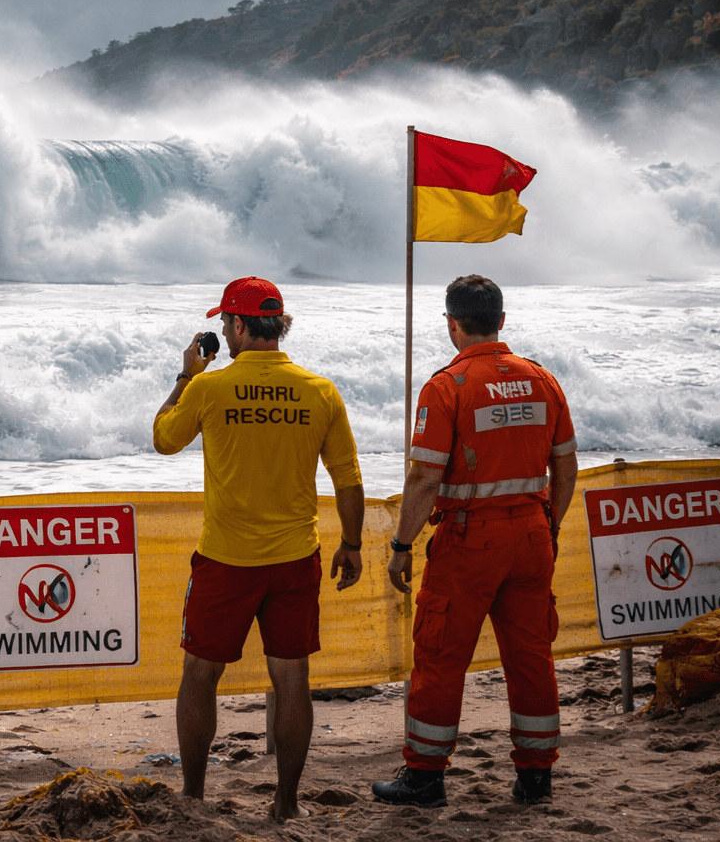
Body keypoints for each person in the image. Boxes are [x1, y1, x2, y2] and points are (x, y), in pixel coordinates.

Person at [153, 276, 366, 821]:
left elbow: (163, 439)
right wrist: (352, 544)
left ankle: (194, 795)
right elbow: (348, 480)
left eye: (226, 322)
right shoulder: (319, 389)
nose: (224, 329)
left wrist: (185, 375)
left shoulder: (210, 388)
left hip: (226, 558)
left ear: (240, 326)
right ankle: (287, 804)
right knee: (292, 678)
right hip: (296, 558)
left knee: (201, 673)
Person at [372, 274, 577, 808]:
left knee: (440, 655)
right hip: (533, 533)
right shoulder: (542, 380)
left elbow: (423, 479)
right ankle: (536, 777)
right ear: (502, 322)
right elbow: (566, 464)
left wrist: (402, 545)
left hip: (469, 542)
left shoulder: (447, 387)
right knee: (532, 656)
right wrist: (550, 525)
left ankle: (424, 777)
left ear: (452, 325)